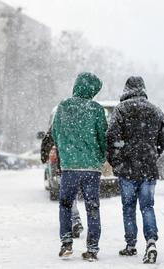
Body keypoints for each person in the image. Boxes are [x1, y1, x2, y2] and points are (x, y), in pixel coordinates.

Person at [106, 76, 164, 264]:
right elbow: (163, 142)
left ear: (126, 89)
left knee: (128, 208)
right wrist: (152, 154)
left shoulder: (120, 110)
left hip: (127, 169)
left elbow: (111, 139)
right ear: (143, 88)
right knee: (147, 206)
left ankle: (131, 245)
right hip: (148, 169)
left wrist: (117, 162)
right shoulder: (156, 110)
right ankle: (151, 241)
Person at [52, 72, 107, 262]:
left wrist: (65, 153)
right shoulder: (96, 109)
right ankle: (92, 248)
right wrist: (100, 157)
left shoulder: (64, 106)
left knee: (66, 204)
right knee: (92, 207)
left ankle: (66, 243)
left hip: (70, 166)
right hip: (92, 168)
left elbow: (55, 132)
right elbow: (103, 137)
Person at [40, 128, 84, 238]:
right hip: (83, 165)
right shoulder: (84, 116)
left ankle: (73, 222)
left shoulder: (61, 116)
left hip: (65, 165)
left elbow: (48, 139)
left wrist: (44, 156)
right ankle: (76, 221)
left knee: (67, 197)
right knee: (79, 198)